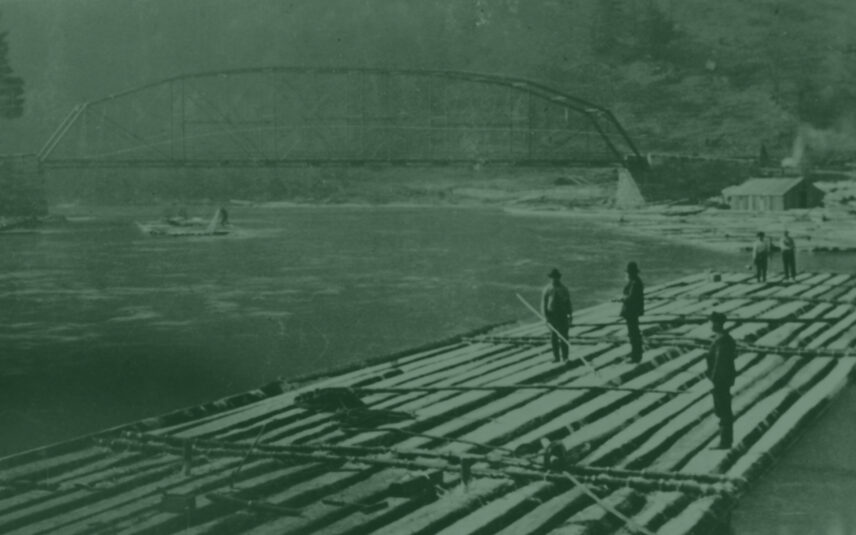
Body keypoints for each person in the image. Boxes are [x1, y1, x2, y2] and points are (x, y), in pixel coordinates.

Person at [706, 312, 737, 449]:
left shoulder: (722, 341)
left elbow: (719, 363)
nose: (711, 325)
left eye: (713, 322)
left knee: (723, 410)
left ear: (718, 323)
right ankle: (726, 440)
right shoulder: (724, 339)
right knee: (723, 410)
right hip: (723, 379)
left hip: (721, 380)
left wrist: (714, 378)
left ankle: (725, 442)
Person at [542, 268, 573, 362]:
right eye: (552, 277)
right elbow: (544, 303)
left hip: (562, 315)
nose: (554, 279)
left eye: (556, 277)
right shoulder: (547, 289)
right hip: (552, 316)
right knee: (553, 337)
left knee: (564, 336)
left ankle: (565, 357)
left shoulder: (564, 289)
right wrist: (545, 317)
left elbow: (568, 303)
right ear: (550, 278)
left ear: (559, 278)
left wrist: (570, 315)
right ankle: (556, 357)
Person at [620, 261, 645, 363]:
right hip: (633, 311)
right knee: (634, 333)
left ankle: (635, 356)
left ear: (630, 273)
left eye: (628, 273)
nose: (626, 274)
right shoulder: (636, 282)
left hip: (632, 312)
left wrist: (623, 298)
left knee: (633, 334)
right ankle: (635, 354)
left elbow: (631, 298)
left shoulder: (635, 283)